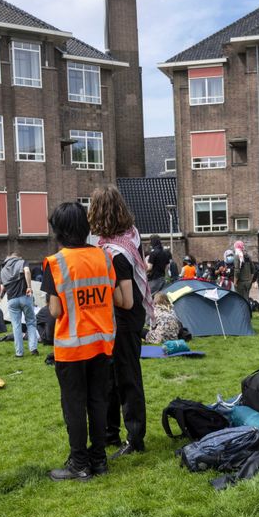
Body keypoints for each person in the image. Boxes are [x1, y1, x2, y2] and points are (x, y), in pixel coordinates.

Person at [41, 202, 122, 481]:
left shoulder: (56, 263)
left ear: (59, 230)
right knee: (98, 402)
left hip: (72, 348)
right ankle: (99, 460)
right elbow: (109, 294)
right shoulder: (104, 257)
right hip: (102, 344)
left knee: (74, 406)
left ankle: (79, 464)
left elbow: (55, 311)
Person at [91, 186, 151, 459]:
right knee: (113, 377)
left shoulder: (115, 252)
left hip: (124, 319)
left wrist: (102, 285)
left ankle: (135, 438)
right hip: (129, 317)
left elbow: (125, 300)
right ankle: (111, 432)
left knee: (126, 378)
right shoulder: (131, 236)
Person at [1, 251, 38, 358]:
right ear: (17, 257)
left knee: (16, 326)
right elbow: (26, 271)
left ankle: (19, 353)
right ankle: (33, 348)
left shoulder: (3, 269)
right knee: (30, 322)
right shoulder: (22, 262)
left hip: (11, 299)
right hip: (24, 297)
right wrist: (29, 286)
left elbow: (3, 286)